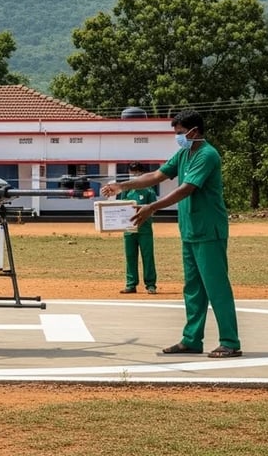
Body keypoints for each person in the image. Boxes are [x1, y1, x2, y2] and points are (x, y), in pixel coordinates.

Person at [101, 110, 241, 358]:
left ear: (194, 131)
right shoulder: (184, 154)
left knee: (216, 286)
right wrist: (122, 185)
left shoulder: (207, 155)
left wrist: (152, 207)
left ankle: (230, 341)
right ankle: (192, 339)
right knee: (193, 288)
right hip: (190, 230)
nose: (178, 137)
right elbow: (157, 175)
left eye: (180, 133)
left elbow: (186, 189)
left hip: (208, 230)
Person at [118, 162, 158, 295]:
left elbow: (153, 209)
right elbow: (121, 208)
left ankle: (150, 284)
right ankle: (131, 284)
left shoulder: (149, 191)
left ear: (142, 173)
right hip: (129, 230)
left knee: (148, 256)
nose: (134, 175)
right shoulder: (127, 191)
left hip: (144, 229)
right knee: (130, 257)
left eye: (137, 172)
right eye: (131, 172)